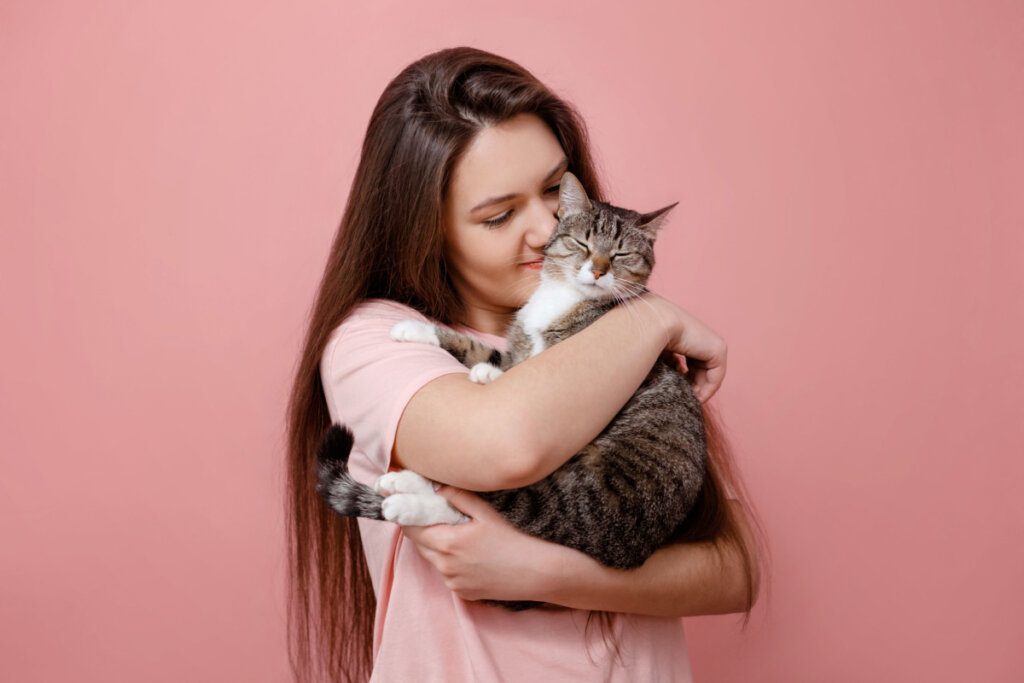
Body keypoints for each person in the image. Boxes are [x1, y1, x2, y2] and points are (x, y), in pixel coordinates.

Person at [285, 46, 768, 683]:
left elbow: (734, 569)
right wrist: (655, 318)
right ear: (427, 230)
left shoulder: (608, 324)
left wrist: (549, 576)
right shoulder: (376, 342)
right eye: (500, 215)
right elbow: (506, 445)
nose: (547, 228)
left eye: (555, 189)